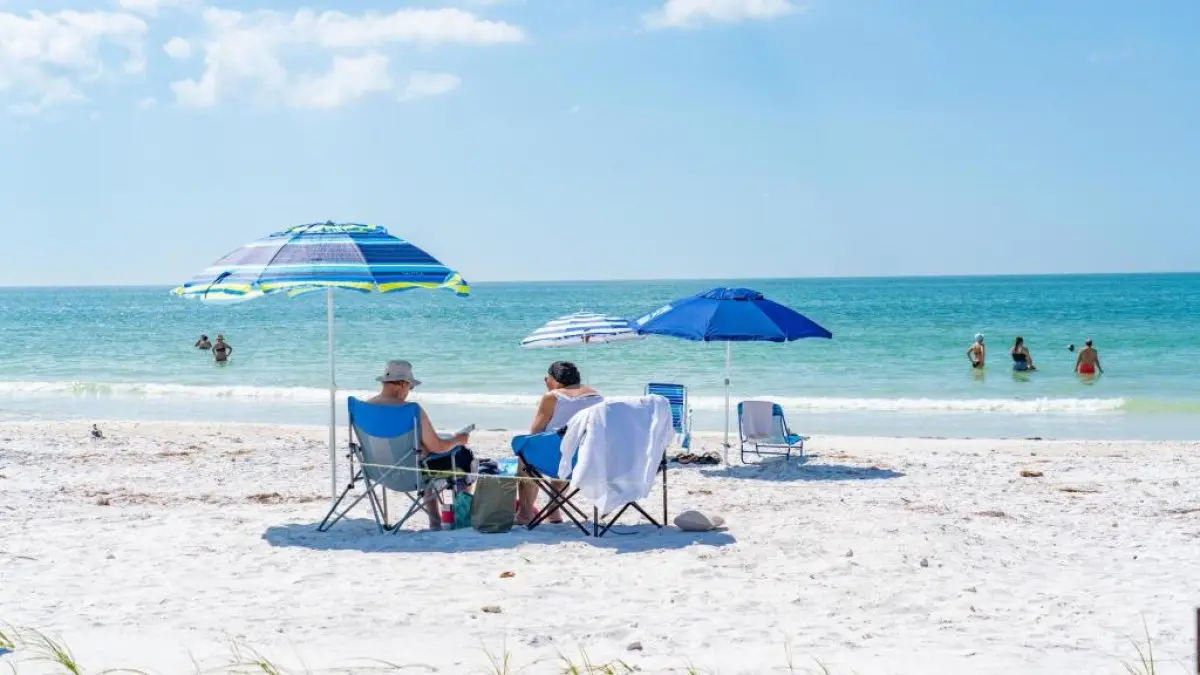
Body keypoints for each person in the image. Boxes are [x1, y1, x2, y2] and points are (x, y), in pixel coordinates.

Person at [368, 360, 473, 530]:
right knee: (465, 456)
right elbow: (437, 447)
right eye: (410, 387)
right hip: (411, 474)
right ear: (402, 384)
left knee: (423, 457)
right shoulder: (411, 410)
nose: (409, 392)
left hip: (377, 471)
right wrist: (457, 440)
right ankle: (461, 516)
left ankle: (435, 521)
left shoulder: (365, 407)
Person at [516, 361, 602, 526]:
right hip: (585, 458)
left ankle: (525, 514)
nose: (546, 382)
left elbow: (535, 433)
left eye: (546, 378)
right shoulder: (597, 397)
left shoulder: (552, 397)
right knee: (565, 450)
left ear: (555, 380)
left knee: (525, 460)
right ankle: (553, 511)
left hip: (559, 458)